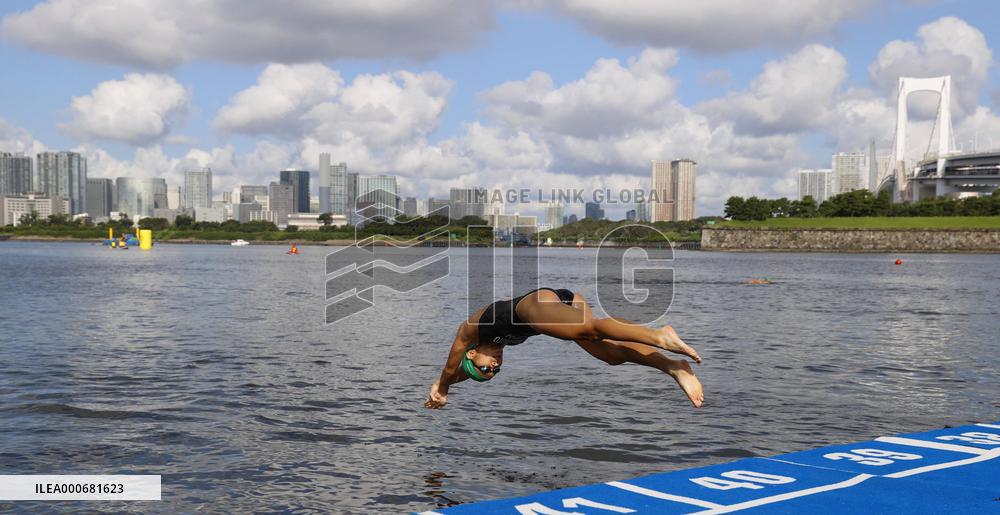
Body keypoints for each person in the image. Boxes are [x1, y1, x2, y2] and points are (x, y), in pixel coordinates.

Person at [425, 287, 704, 409]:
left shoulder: (469, 333)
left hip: (534, 306)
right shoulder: (491, 348)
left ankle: (659, 335)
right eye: (494, 372)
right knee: (609, 354)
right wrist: (451, 380)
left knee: (590, 329)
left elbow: (452, 367)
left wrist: (443, 387)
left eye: (485, 367)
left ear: (471, 354)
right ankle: (672, 366)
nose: (493, 366)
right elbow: (460, 371)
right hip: (562, 306)